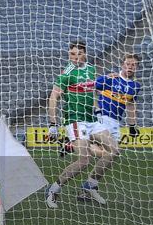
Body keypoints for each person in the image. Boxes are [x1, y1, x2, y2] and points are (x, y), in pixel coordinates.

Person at [45, 41, 118, 208]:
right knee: (84, 160)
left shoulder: (91, 69)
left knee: (113, 150)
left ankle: (90, 185)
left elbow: (91, 91)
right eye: (72, 54)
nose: (75, 57)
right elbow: (53, 97)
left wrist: (98, 110)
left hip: (91, 119)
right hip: (75, 120)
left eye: (78, 54)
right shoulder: (67, 73)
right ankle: (53, 190)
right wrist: (53, 123)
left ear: (85, 54)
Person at [95, 53, 141, 143]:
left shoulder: (135, 86)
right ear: (122, 65)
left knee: (112, 153)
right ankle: (76, 144)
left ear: (137, 67)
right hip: (102, 118)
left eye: (133, 65)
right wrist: (97, 110)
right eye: (127, 64)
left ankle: (74, 145)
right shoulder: (112, 78)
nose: (130, 67)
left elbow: (131, 105)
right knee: (110, 150)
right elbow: (91, 89)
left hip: (116, 121)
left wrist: (132, 126)